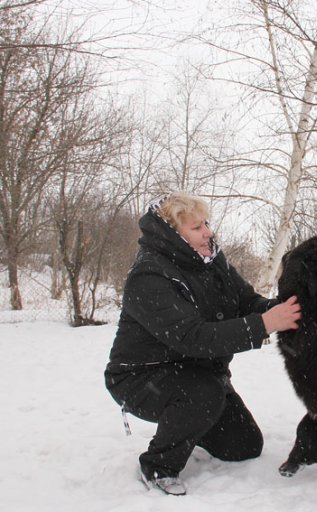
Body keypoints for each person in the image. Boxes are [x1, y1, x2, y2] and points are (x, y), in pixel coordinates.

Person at [104, 192, 301, 496]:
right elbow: (192, 338)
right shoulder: (149, 275)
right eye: (196, 228)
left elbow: (246, 300)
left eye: (205, 223)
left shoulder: (210, 258)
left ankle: (188, 424)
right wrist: (266, 324)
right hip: (141, 377)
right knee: (203, 395)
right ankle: (158, 466)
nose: (208, 231)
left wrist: (284, 309)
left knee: (244, 445)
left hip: (196, 371)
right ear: (173, 235)